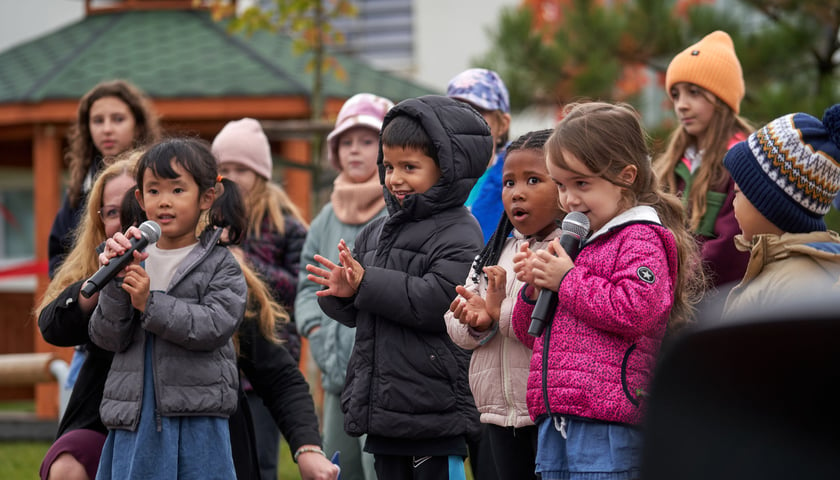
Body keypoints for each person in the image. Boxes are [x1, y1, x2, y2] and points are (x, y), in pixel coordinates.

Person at [511, 102, 704, 480]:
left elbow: (633, 309)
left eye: (582, 184)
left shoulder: (641, 238)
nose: (569, 200)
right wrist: (534, 290)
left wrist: (565, 280)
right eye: (562, 186)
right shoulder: (576, 242)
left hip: (608, 423)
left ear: (626, 176)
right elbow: (528, 334)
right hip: (556, 415)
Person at [306, 95, 493, 480]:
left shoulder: (460, 230)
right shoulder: (379, 229)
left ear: (446, 169)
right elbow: (365, 309)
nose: (395, 178)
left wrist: (366, 282)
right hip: (385, 409)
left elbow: (437, 301)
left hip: (434, 412)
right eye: (389, 166)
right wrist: (344, 295)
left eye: (410, 167)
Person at [87, 137, 246, 479]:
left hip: (196, 417)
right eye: (154, 191)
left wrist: (150, 303)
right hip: (133, 418)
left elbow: (214, 326)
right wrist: (115, 283)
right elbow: (107, 337)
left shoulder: (221, 265)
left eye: (177, 191)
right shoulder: (130, 256)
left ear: (206, 197)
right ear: (140, 199)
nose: (165, 202)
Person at [445, 129, 562, 479]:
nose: (517, 193)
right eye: (509, 183)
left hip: (547, 414)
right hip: (496, 411)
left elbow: (550, 325)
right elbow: (455, 321)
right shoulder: (496, 250)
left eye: (533, 180)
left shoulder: (565, 253)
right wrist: (475, 322)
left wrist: (498, 314)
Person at [295, 93, 393, 480]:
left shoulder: (395, 211)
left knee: (379, 468)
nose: (356, 151)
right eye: (346, 142)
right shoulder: (325, 216)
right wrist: (315, 330)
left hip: (384, 378)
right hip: (336, 375)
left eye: (367, 141)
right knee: (340, 467)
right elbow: (306, 283)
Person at [212, 117, 309, 480]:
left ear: (261, 174)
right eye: (224, 169)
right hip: (218, 367)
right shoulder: (209, 222)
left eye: (242, 169)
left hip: (267, 366)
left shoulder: (287, 226)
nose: (232, 177)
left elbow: (301, 287)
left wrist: (247, 265)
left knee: (261, 462)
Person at [38, 153, 141, 480]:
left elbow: (273, 367)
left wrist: (306, 444)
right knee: (69, 461)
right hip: (103, 418)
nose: (125, 218)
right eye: (112, 212)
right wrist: (101, 281)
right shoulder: (95, 264)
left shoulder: (197, 268)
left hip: (174, 418)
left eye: (134, 206)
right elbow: (51, 325)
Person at [654, 31, 754, 298]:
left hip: (716, 306)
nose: (681, 106)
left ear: (721, 99)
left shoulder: (742, 160)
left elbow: (730, 246)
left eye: (694, 93)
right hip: (665, 299)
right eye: (675, 95)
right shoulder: (671, 163)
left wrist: (670, 288)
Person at [721, 104, 840, 318]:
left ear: (769, 205)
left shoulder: (794, 287)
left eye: (738, 191)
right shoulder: (780, 268)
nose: (732, 202)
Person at [49, 79, 161, 277]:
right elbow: (58, 257)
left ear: (137, 125)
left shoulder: (160, 178)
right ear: (88, 128)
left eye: (118, 119)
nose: (107, 129)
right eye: (98, 121)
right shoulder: (79, 188)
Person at [447, 68, 512, 243]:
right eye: (455, 110)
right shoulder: (432, 175)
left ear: (503, 124)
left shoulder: (518, 179)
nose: (465, 119)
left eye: (477, 111)